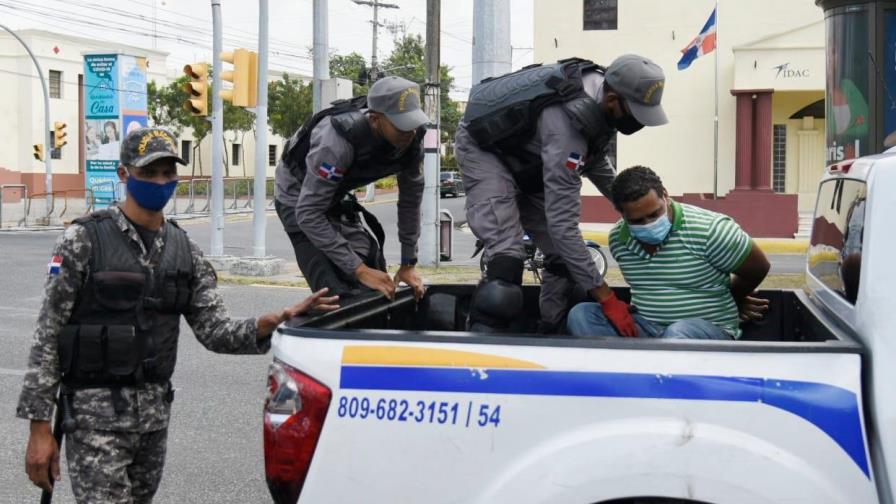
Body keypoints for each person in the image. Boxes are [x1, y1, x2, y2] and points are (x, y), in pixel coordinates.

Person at [18, 127, 339, 503]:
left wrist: (277, 318)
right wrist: (39, 427)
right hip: (94, 418)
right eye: (148, 173)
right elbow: (47, 334)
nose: (160, 181)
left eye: (168, 173)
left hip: (153, 420)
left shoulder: (184, 249)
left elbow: (216, 331)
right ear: (124, 175)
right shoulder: (84, 240)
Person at [455, 54, 668, 333]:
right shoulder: (566, 123)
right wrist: (606, 298)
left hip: (527, 159)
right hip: (485, 151)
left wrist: (639, 202)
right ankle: (480, 349)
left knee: (567, 263)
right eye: (636, 113)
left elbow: (594, 161)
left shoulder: (598, 98)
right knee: (506, 262)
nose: (639, 123)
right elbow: (562, 226)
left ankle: (552, 329)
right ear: (614, 100)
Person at [566, 166, 770, 339]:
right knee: (581, 315)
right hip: (648, 328)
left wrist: (735, 297)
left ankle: (646, 373)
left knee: (677, 333)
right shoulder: (620, 239)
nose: (649, 224)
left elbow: (758, 268)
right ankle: (628, 372)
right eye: (637, 221)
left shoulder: (711, 230)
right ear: (621, 213)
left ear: (665, 195)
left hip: (706, 331)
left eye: (654, 214)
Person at [275, 76, 428, 301]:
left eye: (413, 123)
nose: (410, 133)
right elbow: (308, 214)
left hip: (334, 194)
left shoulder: (412, 140)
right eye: (401, 125)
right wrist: (359, 270)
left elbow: (410, 204)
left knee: (374, 271)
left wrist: (408, 263)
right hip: (297, 197)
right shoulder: (337, 139)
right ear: (375, 119)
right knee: (337, 293)